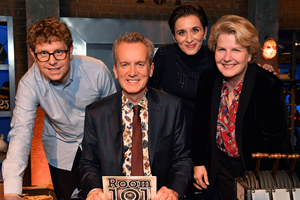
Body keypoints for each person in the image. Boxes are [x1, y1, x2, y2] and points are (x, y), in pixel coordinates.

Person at [2, 17, 116, 200]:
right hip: (61, 147)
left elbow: (114, 120)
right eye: (43, 54)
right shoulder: (29, 84)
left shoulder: (97, 71)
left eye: (58, 52)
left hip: (98, 145)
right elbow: (20, 133)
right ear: (33, 55)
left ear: (70, 51)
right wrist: (11, 191)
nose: (52, 61)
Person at [79, 32, 192, 200]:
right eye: (125, 65)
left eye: (140, 64)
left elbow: (183, 159)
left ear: (151, 69)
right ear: (115, 70)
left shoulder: (172, 107)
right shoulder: (96, 113)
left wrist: (173, 190)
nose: (132, 72)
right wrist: (93, 190)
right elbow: (88, 163)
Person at [191, 15, 292, 200]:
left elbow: (276, 143)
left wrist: (264, 184)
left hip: (256, 173)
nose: (227, 58)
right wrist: (198, 163)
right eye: (221, 49)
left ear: (250, 54)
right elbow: (200, 125)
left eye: (236, 50)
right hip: (218, 169)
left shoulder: (268, 86)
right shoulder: (208, 79)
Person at [148, 5, 215, 142]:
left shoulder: (215, 58)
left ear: (205, 31)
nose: (189, 39)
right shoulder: (165, 55)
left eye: (195, 30)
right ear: (174, 36)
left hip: (207, 138)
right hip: (172, 137)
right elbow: (149, 94)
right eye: (182, 33)